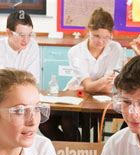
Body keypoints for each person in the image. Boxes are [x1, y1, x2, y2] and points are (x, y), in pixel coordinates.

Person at [39, 8, 124, 141]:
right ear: (88, 31)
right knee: (44, 123)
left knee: (68, 122)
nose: (101, 41)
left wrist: (87, 87)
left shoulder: (115, 48)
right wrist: (95, 84)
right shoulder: (75, 52)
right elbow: (94, 84)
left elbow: (107, 87)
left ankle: (77, 151)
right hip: (75, 97)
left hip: (97, 100)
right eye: (96, 35)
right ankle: (72, 151)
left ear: (111, 35)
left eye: (106, 37)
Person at [0, 11, 40, 82]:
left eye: (29, 35)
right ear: (9, 33)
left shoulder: (32, 45)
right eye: (21, 35)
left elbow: (33, 79)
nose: (26, 40)